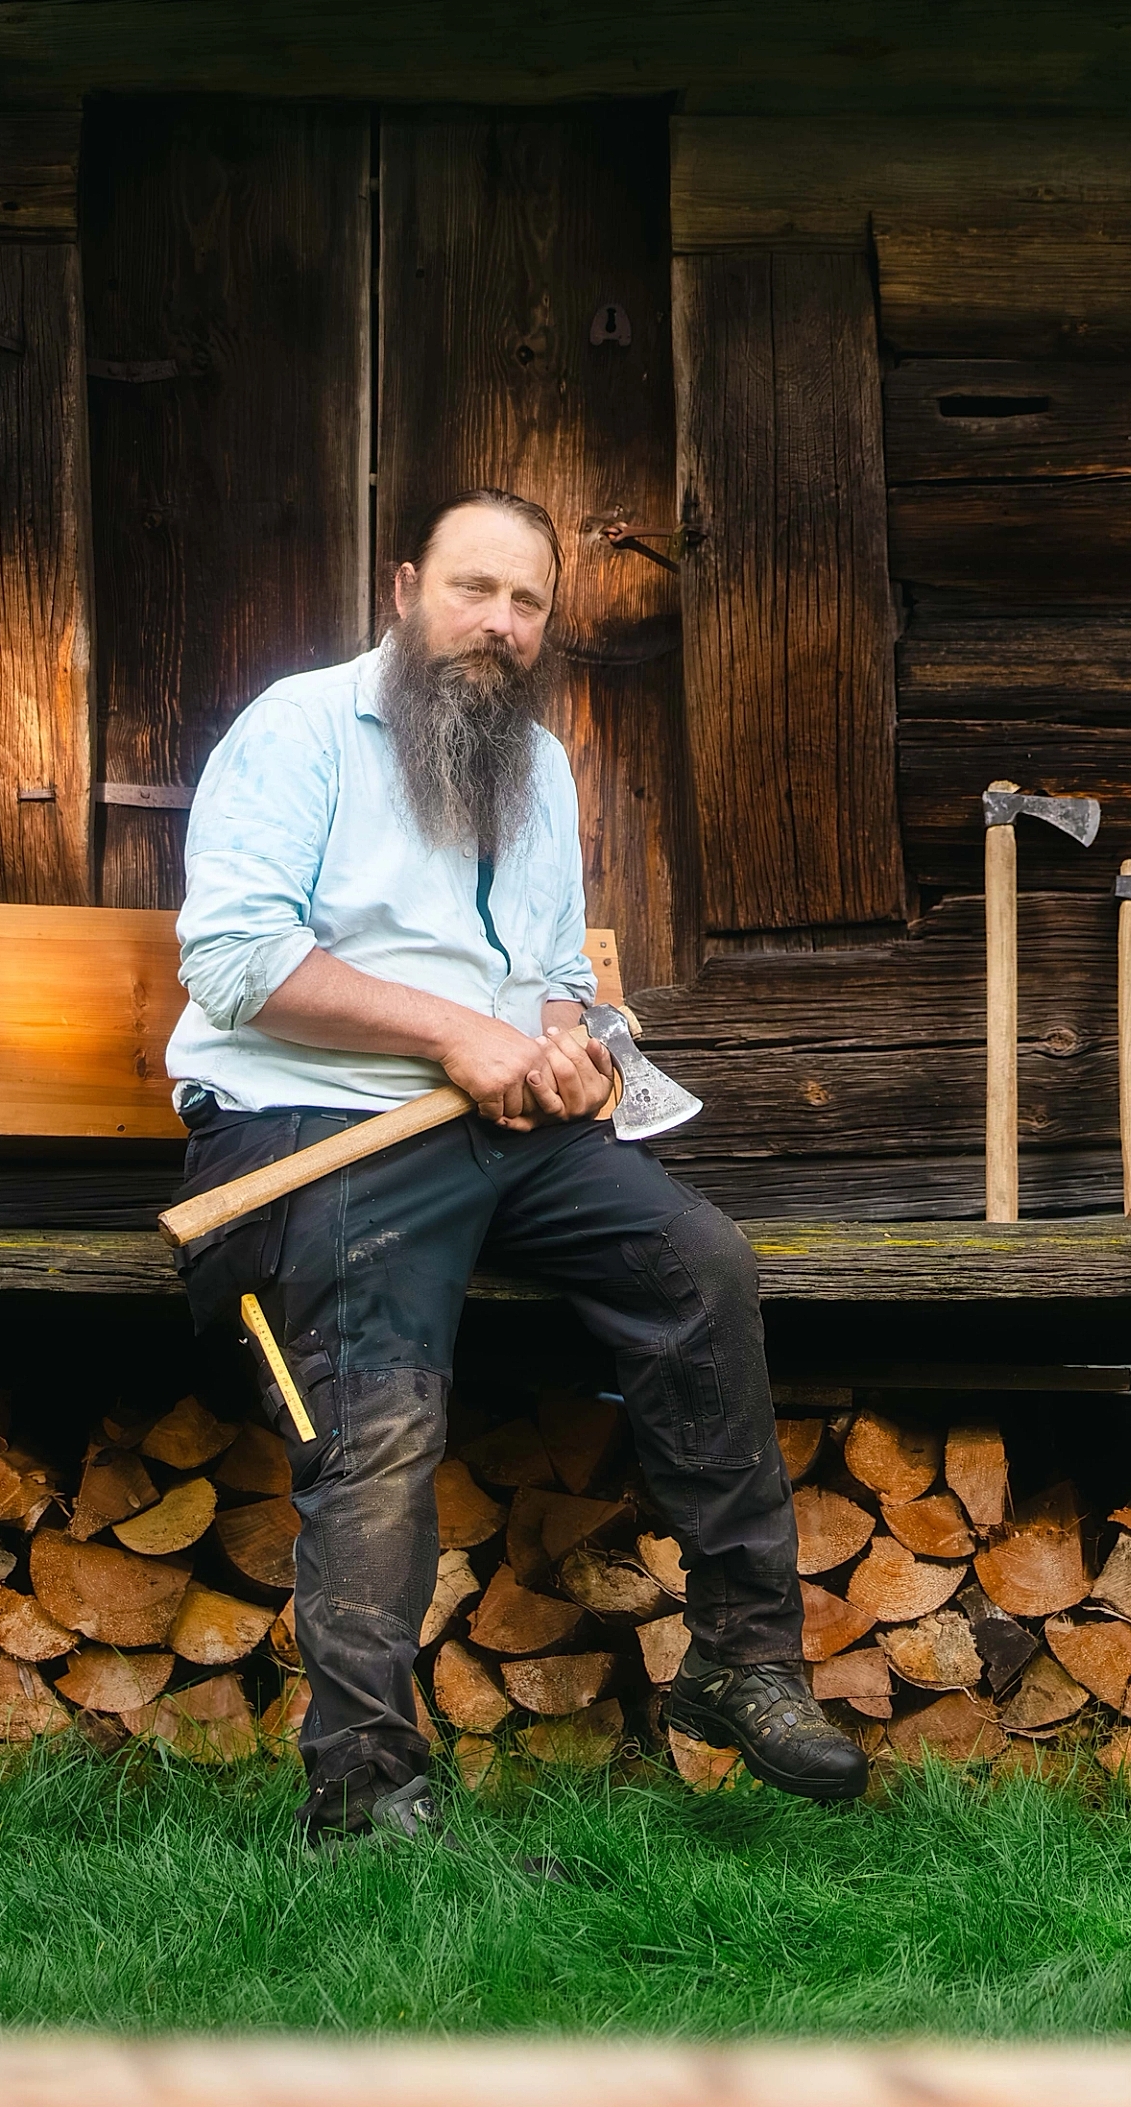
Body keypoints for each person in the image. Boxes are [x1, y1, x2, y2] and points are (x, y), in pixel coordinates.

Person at [164, 488, 863, 1842]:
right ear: (403, 586)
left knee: (698, 1263)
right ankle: (364, 1797)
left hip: (493, 1130)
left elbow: (544, 971)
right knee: (380, 1416)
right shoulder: (300, 730)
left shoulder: (533, 769)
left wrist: (558, 1037)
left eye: (528, 602)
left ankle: (744, 1660)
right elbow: (237, 962)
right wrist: (460, 1038)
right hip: (311, 1125)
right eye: (473, 589)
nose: (499, 623)